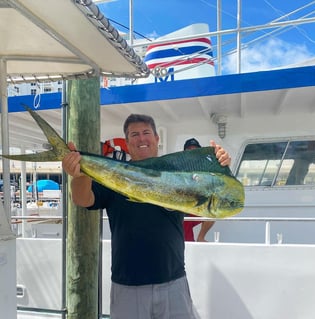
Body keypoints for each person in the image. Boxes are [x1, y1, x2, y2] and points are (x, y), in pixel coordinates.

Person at [62, 114, 231, 319]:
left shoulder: (178, 174)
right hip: (128, 286)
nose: (141, 139)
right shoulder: (114, 175)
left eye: (146, 133)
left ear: (157, 139)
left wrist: (220, 164)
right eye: (134, 134)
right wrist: (79, 175)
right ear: (126, 143)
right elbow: (82, 199)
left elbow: (213, 193)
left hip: (174, 281)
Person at [183, 138, 215, 242]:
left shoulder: (205, 168)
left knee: (213, 209)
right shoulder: (179, 167)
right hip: (181, 207)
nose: (192, 152)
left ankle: (201, 237)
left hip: (195, 206)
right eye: (189, 150)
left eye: (195, 150)